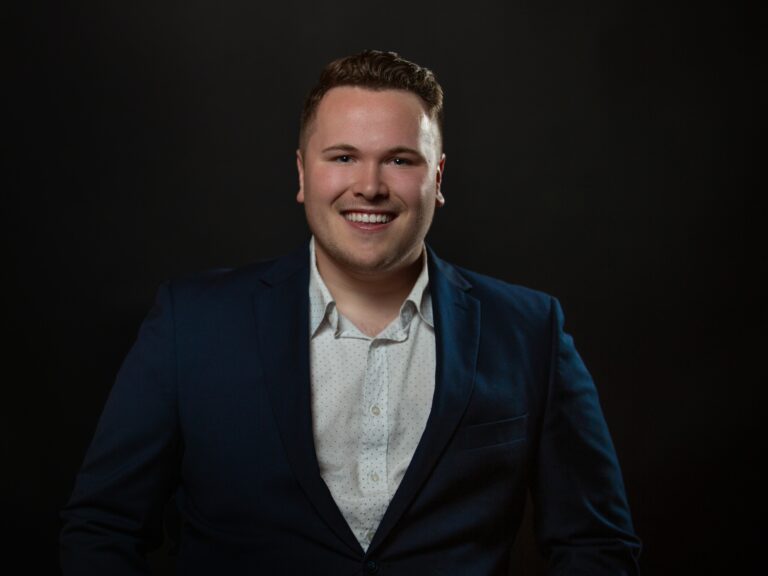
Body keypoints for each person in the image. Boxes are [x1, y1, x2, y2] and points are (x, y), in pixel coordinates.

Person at [60, 49, 641, 575]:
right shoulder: (192, 324)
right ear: (302, 173)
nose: (369, 186)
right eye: (343, 156)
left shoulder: (530, 331)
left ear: (437, 178)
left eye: (400, 160)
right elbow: (103, 527)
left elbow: (597, 544)